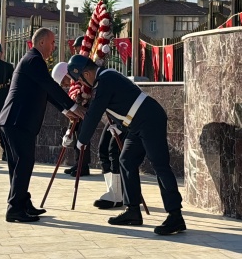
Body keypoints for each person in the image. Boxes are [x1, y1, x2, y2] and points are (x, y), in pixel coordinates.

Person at [67, 55, 185, 235]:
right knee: (126, 161)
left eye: (81, 79)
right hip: (136, 124)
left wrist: (81, 141)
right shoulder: (103, 81)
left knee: (160, 165)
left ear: (87, 73)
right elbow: (119, 104)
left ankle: (175, 216)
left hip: (149, 119)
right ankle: (132, 211)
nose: (82, 84)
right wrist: (118, 125)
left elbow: (94, 112)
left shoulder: (105, 79)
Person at [0, 28, 84, 223]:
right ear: (42, 42)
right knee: (24, 163)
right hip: (17, 121)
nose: (54, 47)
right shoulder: (34, 60)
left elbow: (44, 91)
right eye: (53, 43)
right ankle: (14, 209)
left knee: (19, 165)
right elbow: (50, 85)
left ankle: (22, 203)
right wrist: (73, 105)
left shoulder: (33, 60)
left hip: (13, 121)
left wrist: (65, 110)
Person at [52, 62, 123, 209]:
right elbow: (77, 114)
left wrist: (82, 139)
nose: (67, 85)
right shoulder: (84, 85)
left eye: (66, 81)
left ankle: (120, 194)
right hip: (114, 119)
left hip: (123, 119)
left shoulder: (100, 81)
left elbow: (89, 114)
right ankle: (114, 193)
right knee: (104, 150)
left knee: (114, 152)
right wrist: (69, 132)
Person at [62, 35, 90, 176]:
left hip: (86, 102)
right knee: (77, 133)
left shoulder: (86, 62)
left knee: (83, 135)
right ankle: (78, 163)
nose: (75, 49)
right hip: (79, 101)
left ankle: (83, 166)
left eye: (77, 47)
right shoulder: (77, 62)